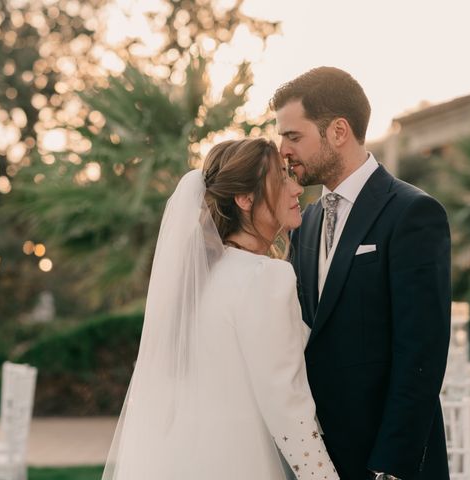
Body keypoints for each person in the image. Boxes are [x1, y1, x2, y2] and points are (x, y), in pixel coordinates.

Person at [102, 139, 339, 480]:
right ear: (244, 199)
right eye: (281, 179)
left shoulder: (198, 279)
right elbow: (287, 403)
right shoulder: (265, 276)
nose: (297, 188)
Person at [271, 67, 451, 480]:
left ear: (338, 131)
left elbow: (421, 356)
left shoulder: (412, 213)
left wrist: (390, 468)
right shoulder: (308, 220)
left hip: (388, 462)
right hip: (322, 460)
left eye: (293, 136)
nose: (282, 149)